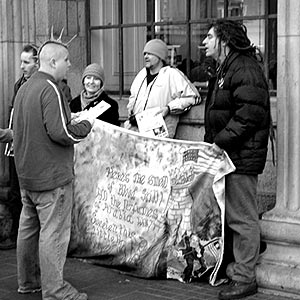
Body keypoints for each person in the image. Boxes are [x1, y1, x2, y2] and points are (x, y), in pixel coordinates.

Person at [13, 37, 94, 300]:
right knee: (54, 234)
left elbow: (22, 129)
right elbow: (61, 132)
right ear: (53, 61)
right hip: (51, 176)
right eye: (67, 60)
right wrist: (86, 125)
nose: (70, 65)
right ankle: (55, 290)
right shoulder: (50, 88)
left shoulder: (25, 87)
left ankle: (29, 282)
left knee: (28, 230)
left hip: (28, 175)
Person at [202, 20, 270, 300]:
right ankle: (244, 259)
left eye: (209, 37)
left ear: (224, 40)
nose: (203, 41)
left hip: (239, 156)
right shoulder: (227, 66)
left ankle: (244, 278)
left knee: (242, 217)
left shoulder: (243, 67)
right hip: (230, 154)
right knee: (234, 215)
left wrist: (220, 141)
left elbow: (249, 114)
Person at [0, 44, 39, 250]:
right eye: (21, 62)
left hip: (33, 148)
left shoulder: (47, 86)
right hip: (16, 145)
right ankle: (16, 235)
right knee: (16, 192)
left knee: (31, 195)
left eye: (26, 62)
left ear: (37, 62)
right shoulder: (19, 84)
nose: (22, 66)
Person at [124, 39, 200, 138]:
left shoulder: (172, 74)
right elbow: (133, 98)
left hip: (159, 134)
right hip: (137, 130)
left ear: (160, 56)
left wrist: (169, 108)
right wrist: (131, 115)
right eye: (145, 54)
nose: (146, 56)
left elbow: (193, 97)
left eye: (150, 53)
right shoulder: (141, 75)